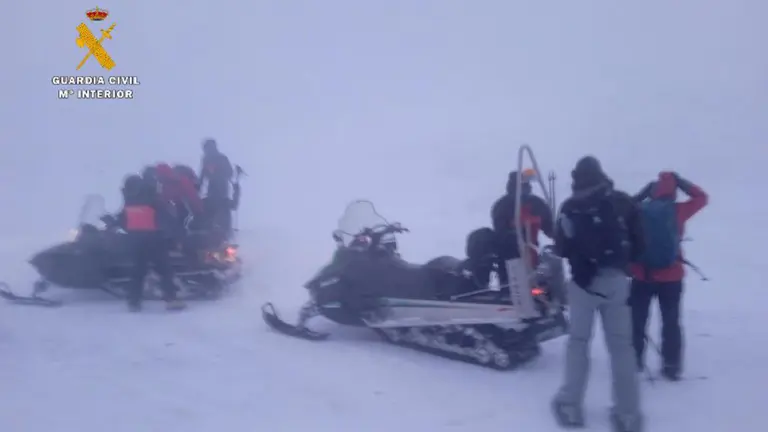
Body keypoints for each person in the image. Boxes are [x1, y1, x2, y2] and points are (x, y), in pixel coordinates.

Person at [551, 156, 645, 432]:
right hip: (616, 282)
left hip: (582, 285)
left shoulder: (570, 206)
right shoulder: (623, 202)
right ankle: (628, 415)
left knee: (579, 342)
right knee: (621, 348)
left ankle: (571, 406)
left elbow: (560, 247)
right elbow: (641, 245)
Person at [629, 171, 708, 381]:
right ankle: (671, 366)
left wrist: (641, 194)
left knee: (637, 320)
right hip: (671, 277)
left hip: (641, 275)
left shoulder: (639, 210)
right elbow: (702, 198)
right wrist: (684, 183)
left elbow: (622, 207)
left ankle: (633, 361)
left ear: (653, 191)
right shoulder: (679, 210)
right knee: (671, 322)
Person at [113, 174, 186, 312]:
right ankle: (171, 299)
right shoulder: (152, 200)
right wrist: (177, 235)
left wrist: (113, 223)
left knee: (137, 272)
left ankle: (134, 302)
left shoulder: (129, 201)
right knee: (164, 270)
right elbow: (166, 219)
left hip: (135, 241)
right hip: (154, 240)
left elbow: (123, 221)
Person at [154, 163, 204, 229]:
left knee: (185, 212)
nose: (159, 179)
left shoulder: (182, 180)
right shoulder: (163, 185)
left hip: (186, 200)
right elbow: (163, 200)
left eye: (160, 176)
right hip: (179, 202)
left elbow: (193, 197)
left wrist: (200, 213)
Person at [198, 138, 233, 203]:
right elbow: (202, 175)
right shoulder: (206, 160)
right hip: (212, 188)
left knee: (219, 204)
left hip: (222, 187)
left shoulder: (222, 158)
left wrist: (218, 171)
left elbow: (230, 173)